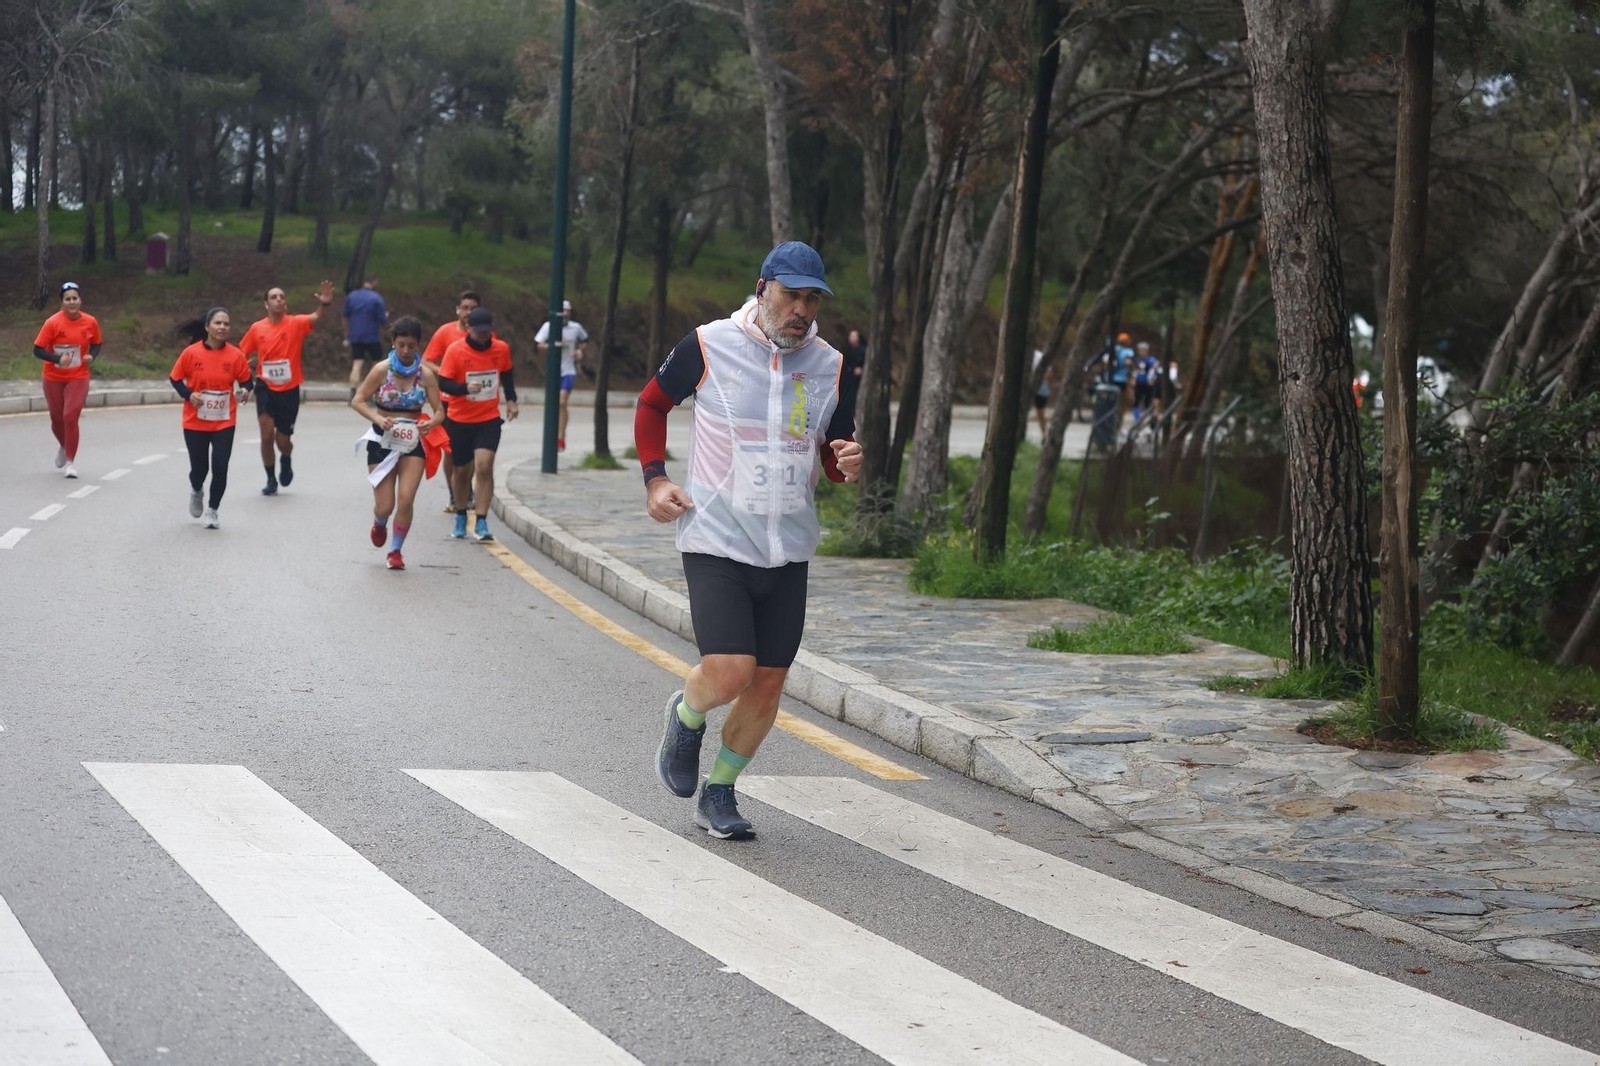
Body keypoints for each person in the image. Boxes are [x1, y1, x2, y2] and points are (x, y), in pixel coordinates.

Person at [638, 241, 863, 841]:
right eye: (791, 295)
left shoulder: (831, 365)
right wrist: (656, 478)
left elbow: (833, 452)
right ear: (763, 289)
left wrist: (847, 461)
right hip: (716, 537)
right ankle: (686, 714)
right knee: (731, 671)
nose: (801, 310)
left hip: (788, 548)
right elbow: (652, 403)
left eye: (812, 299)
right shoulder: (709, 344)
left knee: (767, 682)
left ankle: (720, 792)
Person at [350, 317, 446, 571]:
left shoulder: (425, 375)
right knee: (385, 506)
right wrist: (378, 419)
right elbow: (358, 400)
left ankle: (395, 551)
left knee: (406, 499)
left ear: (418, 345)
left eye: (411, 346)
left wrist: (431, 423)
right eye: (401, 345)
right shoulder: (382, 370)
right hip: (382, 440)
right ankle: (380, 522)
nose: (405, 351)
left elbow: (440, 411)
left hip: (412, 442)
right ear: (393, 343)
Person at [239, 280, 334, 495]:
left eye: (282, 297)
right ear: (266, 304)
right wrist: (244, 367)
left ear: (286, 303)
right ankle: (271, 479)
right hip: (265, 386)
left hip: (289, 390)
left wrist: (325, 303)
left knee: (282, 440)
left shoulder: (295, 323)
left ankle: (286, 457)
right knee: (266, 436)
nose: (279, 300)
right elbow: (242, 352)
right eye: (274, 297)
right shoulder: (257, 328)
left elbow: (316, 317)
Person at [437, 307, 518, 542]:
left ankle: (481, 520)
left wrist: (511, 400)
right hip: (459, 419)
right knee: (462, 471)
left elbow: (507, 374)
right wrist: (465, 389)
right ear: (468, 328)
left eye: (486, 332)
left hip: (488, 419)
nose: (483, 336)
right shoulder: (455, 350)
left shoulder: (501, 348)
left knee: (484, 465)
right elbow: (443, 383)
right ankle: (461, 514)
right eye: (478, 331)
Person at [170, 308, 254, 529]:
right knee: (200, 469)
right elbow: (175, 378)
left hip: (224, 421)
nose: (222, 327)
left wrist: (245, 391)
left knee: (220, 466)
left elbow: (247, 380)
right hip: (195, 421)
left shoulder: (235, 355)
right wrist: (189, 395)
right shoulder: (191, 353)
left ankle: (213, 510)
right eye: (218, 323)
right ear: (207, 326)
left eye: (226, 324)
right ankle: (197, 489)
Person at [32, 281, 102, 479]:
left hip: (78, 376)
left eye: (75, 298)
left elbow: (97, 343)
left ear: (80, 300)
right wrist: (57, 359)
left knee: (70, 416)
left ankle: (70, 463)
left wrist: (91, 356)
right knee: (56, 420)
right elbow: (37, 350)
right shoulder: (52, 323)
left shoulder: (90, 322)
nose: (72, 302)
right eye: (68, 299)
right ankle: (64, 445)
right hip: (53, 376)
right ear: (61, 303)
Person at [424, 290, 483, 515]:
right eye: (465, 307)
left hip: (475, 402)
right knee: (450, 451)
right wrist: (445, 372)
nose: (468, 312)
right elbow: (426, 361)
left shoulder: (485, 334)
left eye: (473, 309)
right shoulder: (445, 332)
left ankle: (467, 491)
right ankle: (454, 494)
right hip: (449, 400)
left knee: (475, 452)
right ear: (458, 309)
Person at [534, 299, 588, 452]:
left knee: (562, 402)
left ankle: (561, 436)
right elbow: (538, 344)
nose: (564, 313)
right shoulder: (548, 326)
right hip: (553, 371)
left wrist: (579, 351)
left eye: (567, 311)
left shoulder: (575, 327)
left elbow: (584, 340)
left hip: (568, 371)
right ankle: (551, 434)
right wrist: (553, 346)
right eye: (562, 310)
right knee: (553, 404)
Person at [342, 275, 389, 396]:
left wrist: (347, 331)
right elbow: (382, 320)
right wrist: (386, 316)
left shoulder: (352, 296)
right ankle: (371, 393)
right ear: (375, 282)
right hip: (372, 336)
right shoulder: (377, 298)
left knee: (357, 364)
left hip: (356, 335)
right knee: (376, 365)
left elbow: (345, 316)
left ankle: (353, 392)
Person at [839, 328, 866, 425]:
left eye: (855, 336)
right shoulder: (846, 350)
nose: (853, 338)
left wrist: (862, 369)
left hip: (862, 378)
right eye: (851, 336)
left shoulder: (864, 350)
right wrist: (852, 370)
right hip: (850, 377)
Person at [1132, 341, 1161, 421]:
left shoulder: (1151, 360)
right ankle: (1136, 417)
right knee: (1137, 399)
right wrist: (1133, 379)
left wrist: (1151, 379)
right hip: (1139, 382)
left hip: (1147, 383)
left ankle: (1147, 415)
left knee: (1147, 399)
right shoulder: (1137, 360)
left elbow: (1153, 369)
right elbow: (1136, 371)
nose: (1141, 351)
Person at [1030, 348, 1051, 439]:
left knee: (1040, 413)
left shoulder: (1039, 356)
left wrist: (1038, 379)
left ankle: (1044, 435)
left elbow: (1049, 372)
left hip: (1041, 389)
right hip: (1026, 388)